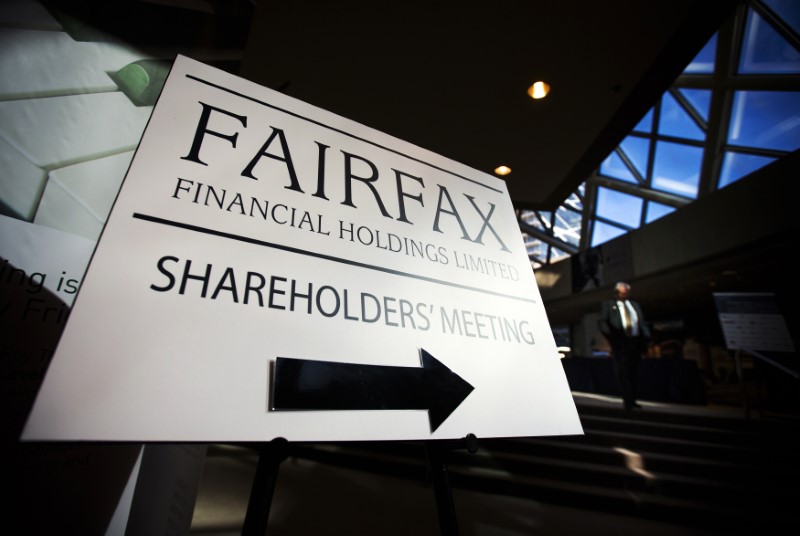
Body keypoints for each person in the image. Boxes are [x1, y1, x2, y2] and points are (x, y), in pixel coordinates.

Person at [598, 281, 651, 410]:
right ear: (616, 293)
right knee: (623, 373)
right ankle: (627, 400)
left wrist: (647, 338)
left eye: (626, 293)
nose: (623, 295)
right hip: (620, 343)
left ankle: (632, 399)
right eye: (621, 293)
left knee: (633, 372)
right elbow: (602, 322)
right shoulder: (608, 305)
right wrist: (612, 338)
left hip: (635, 343)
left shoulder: (634, 305)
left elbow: (642, 323)